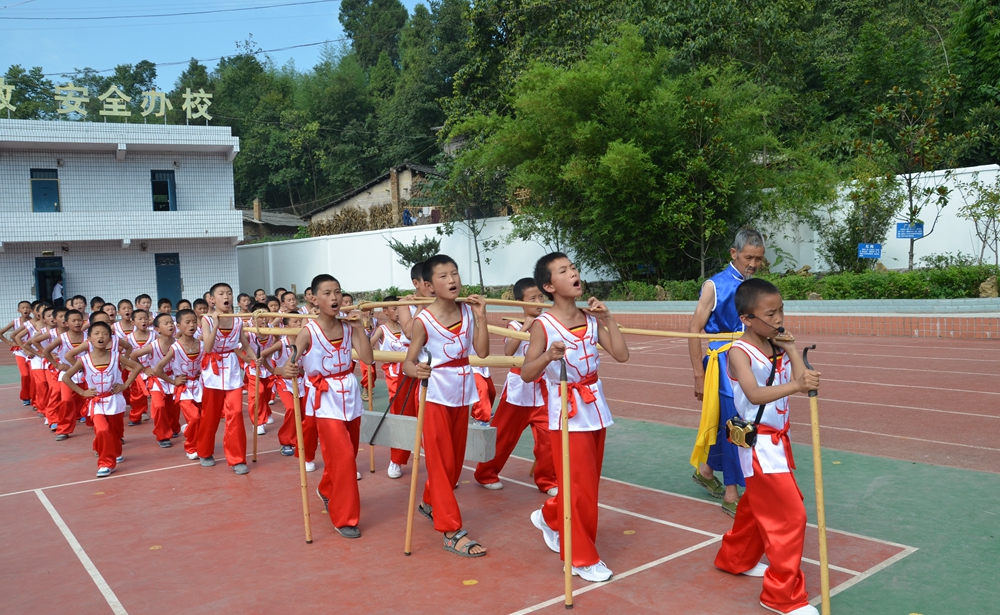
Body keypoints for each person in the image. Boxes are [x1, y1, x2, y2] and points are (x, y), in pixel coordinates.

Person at [714, 278, 821, 615]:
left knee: (755, 508)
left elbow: (802, 381)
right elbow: (755, 394)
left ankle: (734, 559)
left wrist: (791, 349)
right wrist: (795, 384)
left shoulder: (777, 347)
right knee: (790, 516)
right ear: (746, 318)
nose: (778, 319)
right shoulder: (738, 352)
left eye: (781, 310)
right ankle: (780, 595)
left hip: (778, 441)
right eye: (770, 313)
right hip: (758, 445)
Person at [521, 252, 629, 583]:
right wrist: (548, 357)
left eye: (574, 268)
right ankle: (580, 558)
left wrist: (609, 319)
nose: (574, 274)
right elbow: (526, 372)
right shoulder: (544, 325)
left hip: (595, 408)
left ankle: (551, 517)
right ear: (549, 286)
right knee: (580, 489)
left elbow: (622, 355)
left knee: (587, 485)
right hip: (567, 414)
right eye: (564, 271)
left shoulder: (591, 319)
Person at [402, 255, 489, 557]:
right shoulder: (422, 322)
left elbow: (482, 351)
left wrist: (481, 317)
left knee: (452, 465)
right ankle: (451, 531)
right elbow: (408, 364)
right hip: (435, 396)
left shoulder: (467, 311)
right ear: (428, 285)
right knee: (440, 464)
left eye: (455, 274)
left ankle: (429, 503)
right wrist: (417, 370)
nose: (452, 280)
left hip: (462, 394)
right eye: (443, 276)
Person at [280, 274, 373, 538]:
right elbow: (290, 363)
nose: (335, 298)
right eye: (328, 293)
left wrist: (359, 329)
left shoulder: (347, 328)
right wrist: (287, 367)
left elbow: (367, 357)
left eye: (338, 292)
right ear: (314, 299)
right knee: (343, 458)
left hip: (350, 396)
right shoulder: (308, 332)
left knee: (349, 454)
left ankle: (326, 489)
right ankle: (344, 517)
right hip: (324, 401)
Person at [689, 228, 767, 516]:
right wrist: (698, 374)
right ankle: (732, 493)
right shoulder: (715, 285)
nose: (754, 264)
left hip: (749, 359)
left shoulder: (757, 285)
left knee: (735, 420)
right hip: (722, 364)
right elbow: (694, 331)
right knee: (737, 424)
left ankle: (707, 469)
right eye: (749, 257)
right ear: (734, 253)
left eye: (759, 258)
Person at [474, 278, 557, 495]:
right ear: (520, 302)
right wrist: (527, 325)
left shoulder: (549, 323)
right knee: (503, 436)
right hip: (518, 391)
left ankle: (547, 480)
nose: (539, 302)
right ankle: (486, 473)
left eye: (541, 297)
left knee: (549, 438)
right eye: (533, 298)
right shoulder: (514, 325)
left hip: (543, 391)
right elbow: (509, 352)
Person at [61, 321, 142, 477]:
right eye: (96, 333)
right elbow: (66, 377)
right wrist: (82, 392)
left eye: (105, 334)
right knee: (102, 429)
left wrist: (125, 385)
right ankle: (105, 463)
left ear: (110, 339)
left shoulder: (116, 356)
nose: (101, 336)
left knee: (116, 431)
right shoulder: (84, 360)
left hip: (115, 400)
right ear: (89, 338)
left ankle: (115, 452)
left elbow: (137, 367)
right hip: (96, 403)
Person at [198, 283, 256, 475]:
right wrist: (215, 325)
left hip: (231, 370)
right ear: (212, 299)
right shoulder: (206, 319)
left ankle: (237, 458)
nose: (226, 297)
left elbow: (245, 344)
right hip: (212, 373)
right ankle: (205, 451)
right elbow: (207, 347)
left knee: (236, 413)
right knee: (210, 415)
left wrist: (255, 358)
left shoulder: (238, 321)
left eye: (229, 293)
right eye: (221, 294)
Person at [387, 263, 432, 478]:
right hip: (411, 368)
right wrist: (422, 307)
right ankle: (397, 459)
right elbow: (408, 332)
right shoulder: (406, 304)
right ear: (416, 283)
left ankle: (439, 469)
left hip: (435, 371)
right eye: (428, 282)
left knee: (433, 424)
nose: (433, 287)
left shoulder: (444, 303)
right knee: (404, 416)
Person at [151, 310, 204, 460]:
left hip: (199, 386)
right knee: (194, 417)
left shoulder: (202, 344)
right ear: (179, 326)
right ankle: (191, 446)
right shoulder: (175, 347)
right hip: (184, 389)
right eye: (187, 322)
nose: (192, 325)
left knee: (201, 418)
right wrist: (174, 382)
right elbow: (157, 369)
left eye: (194, 321)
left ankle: (189, 431)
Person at [260, 316, 313, 464]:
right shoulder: (282, 344)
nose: (299, 324)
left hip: (301, 381)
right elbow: (263, 355)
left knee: (303, 411)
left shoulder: (307, 343)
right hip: (284, 382)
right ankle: (286, 441)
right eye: (295, 322)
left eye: (300, 322)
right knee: (291, 408)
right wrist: (275, 370)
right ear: (287, 327)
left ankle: (300, 438)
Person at [135, 314, 183, 449]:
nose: (170, 325)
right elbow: (132, 356)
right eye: (166, 323)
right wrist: (144, 369)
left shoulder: (179, 343)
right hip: (157, 380)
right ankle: (162, 436)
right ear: (157, 329)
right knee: (159, 406)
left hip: (174, 378)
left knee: (173, 406)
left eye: (171, 323)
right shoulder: (152, 346)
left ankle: (173, 427)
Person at [43, 309, 87, 440]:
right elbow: (46, 351)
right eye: (73, 320)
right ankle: (63, 429)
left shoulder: (88, 336)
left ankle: (100, 426)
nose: (77, 323)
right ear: (67, 323)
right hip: (68, 374)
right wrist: (57, 365)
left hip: (87, 373)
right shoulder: (62, 338)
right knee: (66, 400)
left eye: (79, 320)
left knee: (91, 400)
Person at [245, 307, 275, 435]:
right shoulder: (248, 332)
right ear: (254, 318)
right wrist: (246, 359)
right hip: (254, 366)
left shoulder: (272, 330)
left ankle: (266, 411)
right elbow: (235, 345)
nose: (263, 319)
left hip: (267, 365)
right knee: (258, 393)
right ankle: (258, 422)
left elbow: (278, 341)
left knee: (267, 393)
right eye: (260, 317)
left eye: (265, 316)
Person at [1, 301, 34, 406]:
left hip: (32, 351)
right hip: (20, 351)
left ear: (31, 310)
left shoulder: (34, 322)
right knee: (25, 375)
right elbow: (1, 333)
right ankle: (25, 396)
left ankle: (35, 396)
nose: (25, 309)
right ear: (18, 310)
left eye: (28, 307)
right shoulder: (15, 322)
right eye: (23, 308)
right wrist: (9, 343)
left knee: (33, 376)